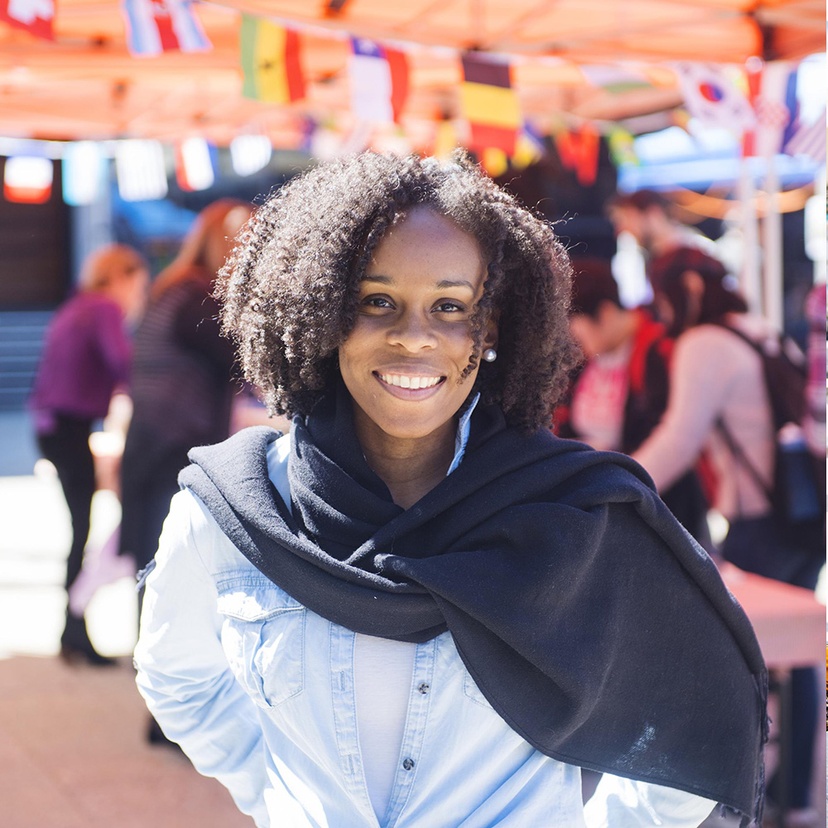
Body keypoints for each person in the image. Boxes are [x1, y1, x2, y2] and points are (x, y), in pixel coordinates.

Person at [134, 152, 767, 828]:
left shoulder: (578, 514)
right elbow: (178, 679)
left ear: (490, 328)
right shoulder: (231, 511)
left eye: (450, 306)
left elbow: (692, 719)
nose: (415, 337)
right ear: (324, 313)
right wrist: (280, 799)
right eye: (377, 302)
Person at [631, 247, 822, 828]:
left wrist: (606, 483)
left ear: (685, 287)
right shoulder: (759, 329)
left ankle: (744, 797)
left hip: (760, 523)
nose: (660, 313)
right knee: (797, 652)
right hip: (807, 512)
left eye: (662, 295)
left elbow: (678, 439)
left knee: (736, 661)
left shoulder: (703, 344)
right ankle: (796, 798)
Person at [29, 243, 149, 665]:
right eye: (138, 284)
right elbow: (125, 365)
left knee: (80, 526)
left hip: (54, 426)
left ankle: (72, 628)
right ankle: (74, 628)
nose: (139, 295)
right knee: (82, 527)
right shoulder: (102, 308)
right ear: (121, 277)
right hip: (67, 427)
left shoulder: (77, 306)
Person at [119, 198, 251, 581]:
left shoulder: (174, 287)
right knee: (168, 562)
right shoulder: (198, 296)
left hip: (151, 435)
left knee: (154, 559)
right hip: (176, 441)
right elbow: (244, 359)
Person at [555, 257, 710, 549]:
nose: (575, 340)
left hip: (655, 511)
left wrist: (623, 490)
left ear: (605, 312)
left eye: (578, 329)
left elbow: (675, 441)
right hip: (602, 507)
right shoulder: (585, 362)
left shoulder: (661, 352)